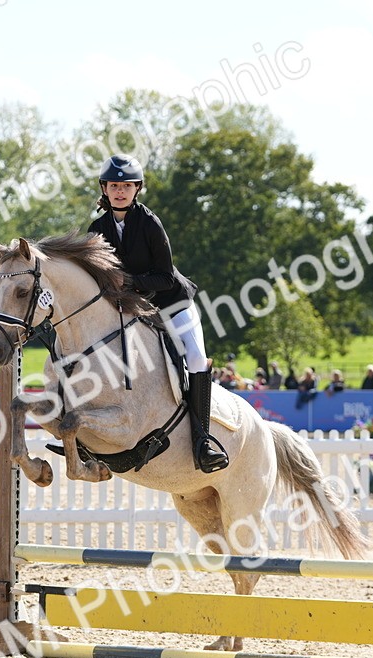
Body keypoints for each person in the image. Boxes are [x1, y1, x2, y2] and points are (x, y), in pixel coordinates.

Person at [88, 153, 227, 473]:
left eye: (126, 186)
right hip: (133, 308)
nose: (120, 191)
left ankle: (203, 441)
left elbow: (165, 277)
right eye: (114, 186)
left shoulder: (149, 223)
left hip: (172, 303)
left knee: (195, 357)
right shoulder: (97, 229)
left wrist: (127, 282)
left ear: (137, 189)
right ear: (104, 188)